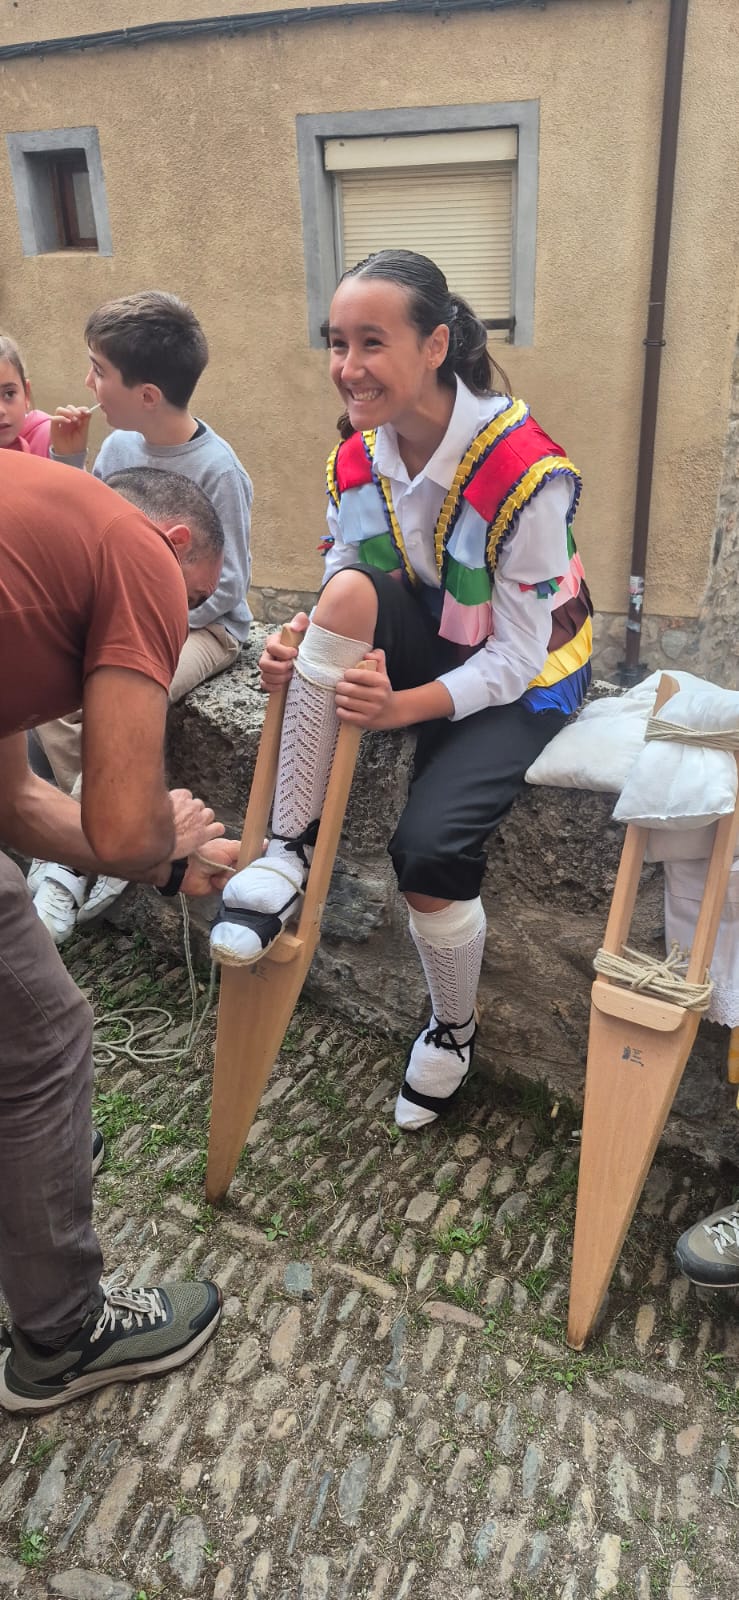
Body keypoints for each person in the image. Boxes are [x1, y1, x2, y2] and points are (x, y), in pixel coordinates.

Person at [211, 249, 592, 1131]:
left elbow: (511, 659)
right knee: (340, 597)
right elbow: (351, 573)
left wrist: (399, 709)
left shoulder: (528, 471)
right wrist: (298, 647)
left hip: (525, 676)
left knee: (427, 850)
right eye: (337, 342)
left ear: (435, 345)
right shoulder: (357, 456)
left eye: (371, 342)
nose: (347, 367)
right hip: (426, 636)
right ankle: (284, 857)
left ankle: (452, 1028)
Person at [0, 450, 239, 1413]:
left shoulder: (30, 537)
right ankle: (62, 1338)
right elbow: (122, 824)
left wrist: (165, 861)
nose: (179, 628)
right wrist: (158, 838)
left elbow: (17, 803)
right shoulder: (135, 555)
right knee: (41, 1040)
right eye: (193, 605)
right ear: (171, 541)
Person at [31, 290, 254, 939]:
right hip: (120, 621)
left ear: (147, 393)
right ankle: (99, 839)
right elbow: (77, 531)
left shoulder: (219, 469)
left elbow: (227, 586)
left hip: (206, 628)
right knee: (56, 693)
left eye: (99, 370)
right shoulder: (117, 451)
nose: (89, 383)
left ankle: (65, 865)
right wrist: (68, 461)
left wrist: (131, 636)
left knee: (112, 693)